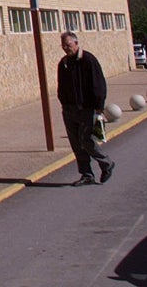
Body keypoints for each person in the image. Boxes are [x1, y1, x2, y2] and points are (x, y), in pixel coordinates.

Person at [57, 31, 116, 186]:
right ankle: (86, 174)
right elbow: (61, 86)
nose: (65, 48)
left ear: (76, 43)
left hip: (87, 109)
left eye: (68, 45)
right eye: (63, 45)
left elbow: (99, 84)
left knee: (87, 140)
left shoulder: (88, 60)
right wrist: (63, 101)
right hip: (69, 109)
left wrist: (99, 108)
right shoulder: (63, 63)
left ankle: (106, 163)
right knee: (76, 144)